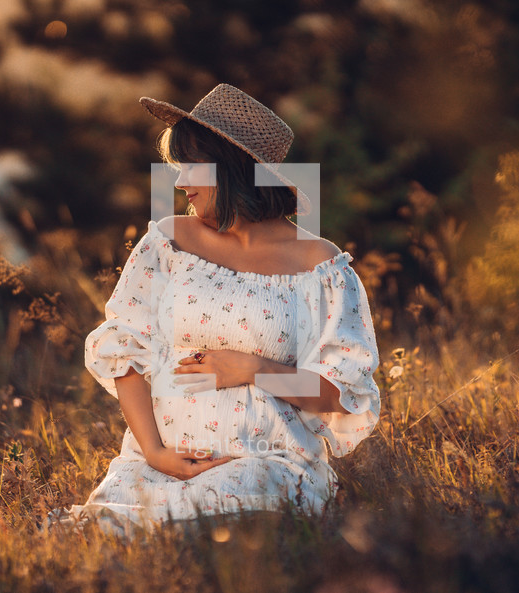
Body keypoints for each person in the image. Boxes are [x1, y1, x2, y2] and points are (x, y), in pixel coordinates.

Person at [47, 83, 380, 535]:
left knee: (232, 522)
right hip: (162, 461)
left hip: (267, 461)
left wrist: (254, 368)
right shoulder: (168, 242)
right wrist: (154, 453)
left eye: (191, 167)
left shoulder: (321, 266)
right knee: (108, 533)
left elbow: (342, 391)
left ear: (233, 169)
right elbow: (122, 350)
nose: (180, 183)